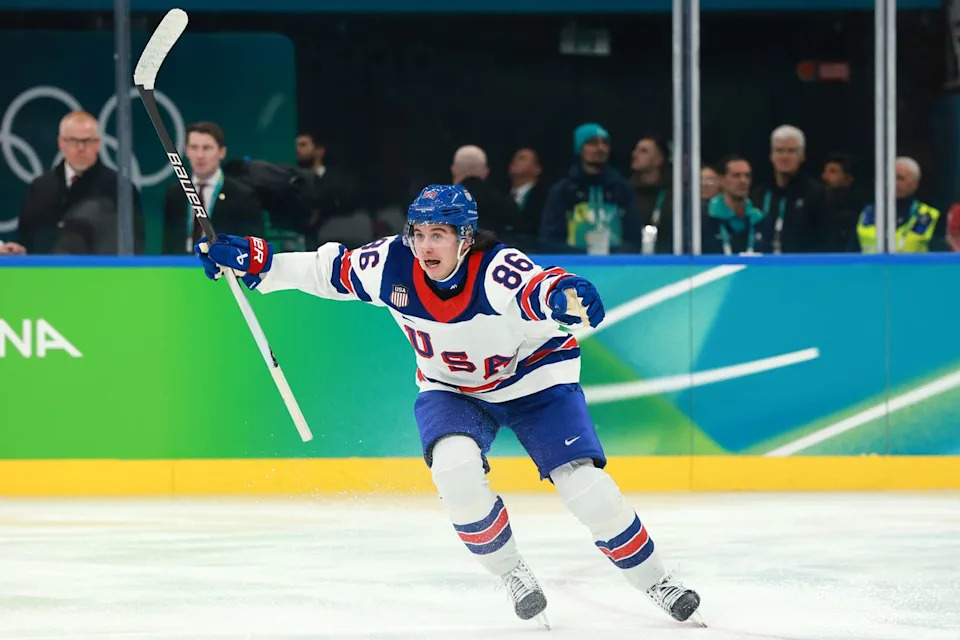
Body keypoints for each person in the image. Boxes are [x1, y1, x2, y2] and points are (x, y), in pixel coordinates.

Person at [194, 184, 701, 627]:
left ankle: (658, 582)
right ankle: (512, 573)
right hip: (451, 387)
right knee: (455, 473)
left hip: (533, 380)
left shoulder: (496, 269)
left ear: (465, 237)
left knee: (586, 488)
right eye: (418, 232)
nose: (425, 245)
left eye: (440, 233)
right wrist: (258, 261)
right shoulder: (390, 264)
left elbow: (535, 289)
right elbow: (328, 272)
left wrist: (563, 293)